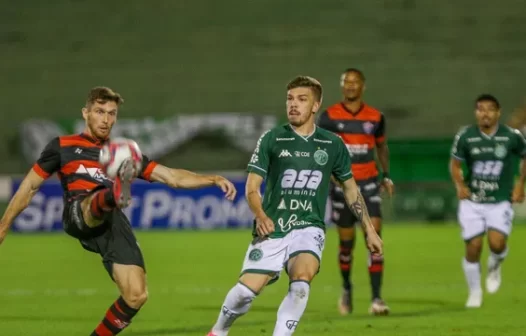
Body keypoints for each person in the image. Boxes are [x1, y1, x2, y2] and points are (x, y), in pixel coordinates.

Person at [0, 87, 237, 336]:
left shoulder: (124, 153)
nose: (106, 119)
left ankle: (114, 194)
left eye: (111, 113)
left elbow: (172, 177)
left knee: (136, 295)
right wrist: (4, 224)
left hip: (112, 221)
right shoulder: (63, 146)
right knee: (93, 202)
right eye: (100, 112)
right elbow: (29, 186)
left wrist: (212, 179)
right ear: (86, 113)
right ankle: (113, 193)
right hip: (79, 212)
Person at [206, 76, 383, 336]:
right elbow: (252, 187)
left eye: (302, 99)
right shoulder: (272, 139)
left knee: (301, 282)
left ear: (315, 105)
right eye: (290, 99)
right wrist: (260, 214)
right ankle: (218, 332)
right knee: (245, 293)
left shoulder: (332, 144)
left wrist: (369, 229)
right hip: (273, 228)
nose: (293, 105)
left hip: (308, 228)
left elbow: (350, 189)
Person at [316, 68, 393, 315]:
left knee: (375, 237)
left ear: (363, 86)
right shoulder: (328, 117)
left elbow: (382, 147)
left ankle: (377, 299)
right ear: (341, 86)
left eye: (354, 82)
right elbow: (321, 151)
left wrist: (386, 175)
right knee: (346, 243)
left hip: (369, 184)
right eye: (346, 82)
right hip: (341, 188)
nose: (350, 86)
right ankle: (347, 288)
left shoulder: (375, 117)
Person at [450, 94, 526, 308]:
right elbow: (455, 164)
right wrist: (460, 185)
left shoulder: (511, 136)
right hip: (473, 201)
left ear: (498, 112)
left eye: (490, 109)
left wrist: (520, 184)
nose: (485, 113)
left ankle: (495, 264)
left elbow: (524, 156)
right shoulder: (466, 136)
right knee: (473, 248)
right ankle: (474, 292)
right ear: (476, 113)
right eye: (480, 109)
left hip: (500, 199)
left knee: (497, 243)